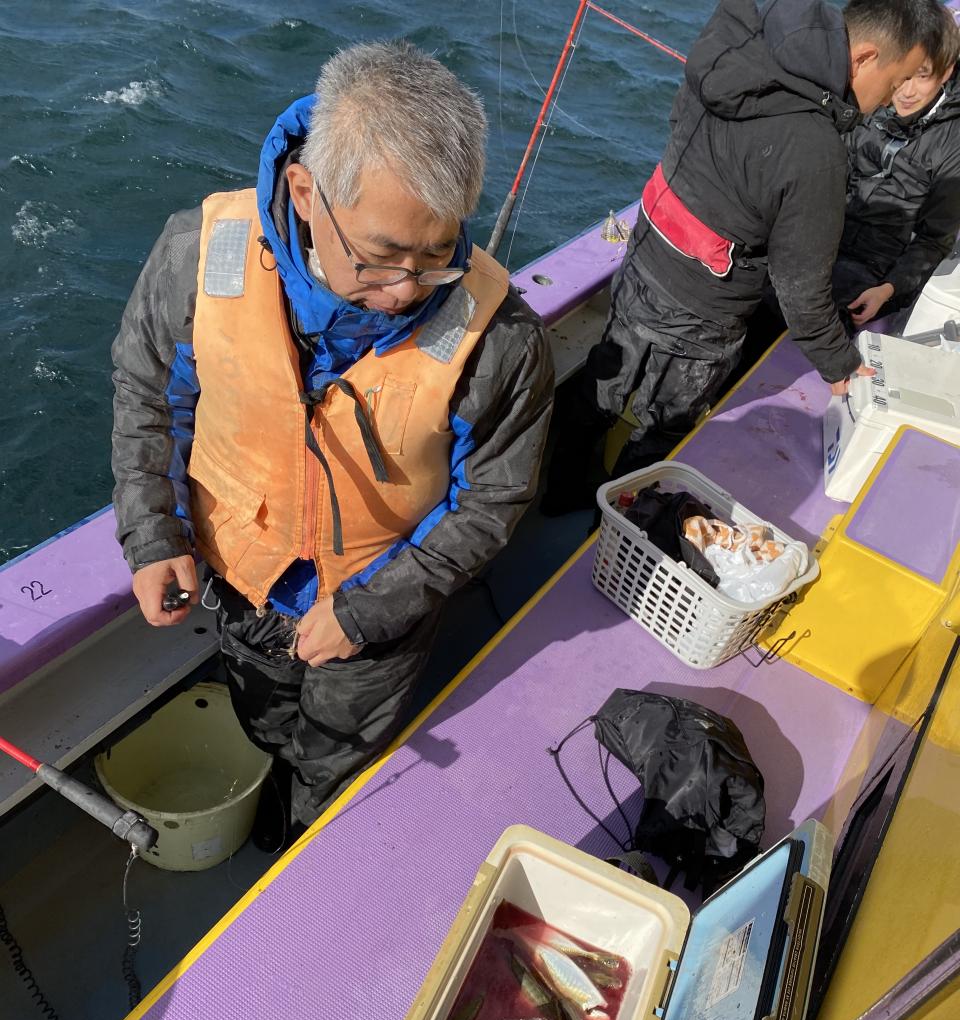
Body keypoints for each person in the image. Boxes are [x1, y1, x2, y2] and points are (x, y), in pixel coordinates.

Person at [111, 41, 553, 839]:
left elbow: (492, 501)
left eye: (438, 256)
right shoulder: (196, 254)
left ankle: (305, 835)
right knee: (260, 718)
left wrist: (368, 612)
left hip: (383, 614)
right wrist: (154, 535)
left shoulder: (504, 340)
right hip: (241, 581)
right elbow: (148, 396)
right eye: (381, 257)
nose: (406, 290)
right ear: (305, 192)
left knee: (335, 759)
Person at [543, 0, 946, 512]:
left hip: (646, 255)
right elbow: (801, 290)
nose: (891, 99)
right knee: (662, 428)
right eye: (894, 81)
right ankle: (610, 530)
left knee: (600, 389)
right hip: (704, 312)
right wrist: (841, 364)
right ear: (865, 57)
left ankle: (558, 496)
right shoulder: (816, 149)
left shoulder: (738, 35)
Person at [835, 7, 960, 328]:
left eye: (923, 76)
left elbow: (935, 240)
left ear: (946, 72)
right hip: (823, 236)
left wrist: (888, 290)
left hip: (875, 268)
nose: (906, 91)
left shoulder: (953, 143)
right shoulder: (867, 96)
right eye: (904, 74)